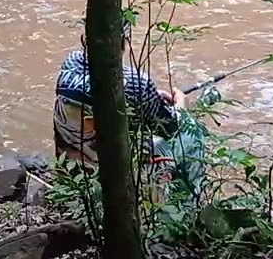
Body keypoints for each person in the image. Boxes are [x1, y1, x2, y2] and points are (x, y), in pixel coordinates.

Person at [52, 18, 186, 166]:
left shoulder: (70, 63)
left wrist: (151, 96)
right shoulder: (137, 83)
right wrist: (180, 103)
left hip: (69, 163)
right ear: (123, 42)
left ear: (84, 39)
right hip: (110, 171)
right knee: (187, 134)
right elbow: (171, 129)